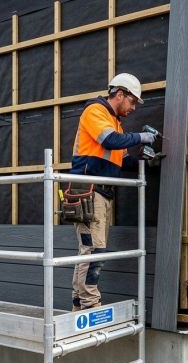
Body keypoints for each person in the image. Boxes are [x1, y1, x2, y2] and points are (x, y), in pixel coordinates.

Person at [69, 73, 158, 311]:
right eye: (132, 101)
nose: (133, 108)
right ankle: (90, 305)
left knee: (90, 249)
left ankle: (80, 303)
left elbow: (121, 160)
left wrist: (146, 160)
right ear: (120, 94)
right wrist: (140, 137)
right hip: (88, 191)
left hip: (100, 193)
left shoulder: (114, 122)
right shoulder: (95, 111)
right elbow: (110, 141)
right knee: (94, 249)